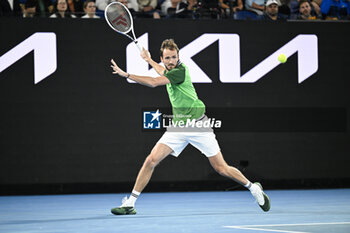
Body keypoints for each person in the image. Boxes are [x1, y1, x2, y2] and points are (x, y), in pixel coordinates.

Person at [109, 39, 271, 215]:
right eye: (167, 58)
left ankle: (252, 187)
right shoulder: (168, 69)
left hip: (198, 125)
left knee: (221, 168)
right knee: (151, 160)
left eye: (174, 57)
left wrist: (126, 75)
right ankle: (130, 203)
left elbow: (154, 82)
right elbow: (161, 70)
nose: (171, 61)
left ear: (178, 57)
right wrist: (148, 60)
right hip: (178, 127)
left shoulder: (180, 70)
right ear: (162, 58)